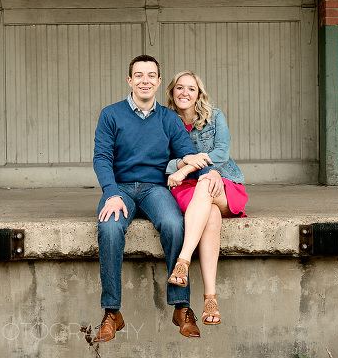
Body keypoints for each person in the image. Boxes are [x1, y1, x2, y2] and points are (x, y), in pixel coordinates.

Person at [92, 55, 225, 342]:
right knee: (109, 228)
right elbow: (101, 157)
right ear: (129, 80)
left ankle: (182, 307)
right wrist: (111, 193)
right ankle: (111, 311)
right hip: (121, 189)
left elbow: (185, 151)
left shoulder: (167, 118)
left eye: (151, 75)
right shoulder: (111, 114)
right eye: (139, 75)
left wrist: (210, 170)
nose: (145, 81)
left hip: (155, 188)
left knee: (176, 224)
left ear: (159, 81)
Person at [164, 71, 248, 326]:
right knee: (210, 214)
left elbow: (221, 152)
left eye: (191, 88)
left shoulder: (215, 116)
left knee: (206, 182)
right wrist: (179, 164)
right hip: (188, 189)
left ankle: (183, 260)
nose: (184, 93)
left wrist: (189, 168)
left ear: (199, 94)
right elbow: (158, 161)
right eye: (179, 88)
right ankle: (210, 298)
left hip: (221, 182)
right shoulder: (165, 121)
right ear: (171, 92)